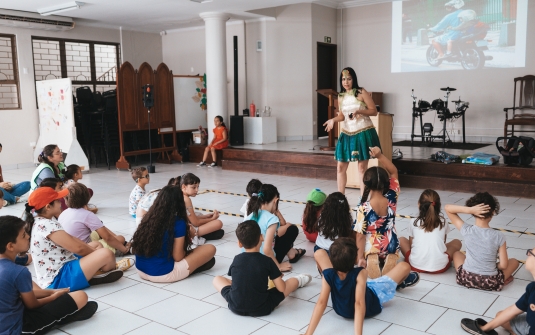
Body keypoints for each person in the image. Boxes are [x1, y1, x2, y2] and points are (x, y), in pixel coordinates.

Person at [0, 215, 98, 335]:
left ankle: (63, 313)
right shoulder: (18, 271)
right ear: (10, 246)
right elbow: (32, 305)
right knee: (81, 296)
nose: (28, 236)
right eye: (23, 235)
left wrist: (51, 291)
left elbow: (18, 294)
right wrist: (53, 297)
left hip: (10, 315)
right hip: (19, 328)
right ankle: (60, 319)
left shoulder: (11, 269)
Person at [303, 238, 420, 335]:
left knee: (319, 253)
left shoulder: (328, 275)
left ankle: (395, 283)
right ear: (354, 259)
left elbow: (321, 303)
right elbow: (359, 303)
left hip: (340, 309)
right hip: (371, 299)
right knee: (404, 266)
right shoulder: (361, 273)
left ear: (332, 261)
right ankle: (399, 283)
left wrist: (308, 333)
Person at [26, 187, 124, 291]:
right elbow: (78, 249)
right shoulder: (47, 224)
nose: (61, 202)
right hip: (58, 279)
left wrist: (94, 252)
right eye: (58, 201)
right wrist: (95, 254)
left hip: (62, 266)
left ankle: (91, 274)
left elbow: (71, 239)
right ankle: (96, 274)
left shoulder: (40, 221)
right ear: (48, 207)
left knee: (96, 245)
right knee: (107, 254)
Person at [212, 220, 312, 316]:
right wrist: (278, 277)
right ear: (261, 237)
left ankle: (247, 286)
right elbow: (281, 288)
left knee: (217, 279)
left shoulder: (237, 259)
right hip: (262, 307)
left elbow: (235, 278)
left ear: (239, 243)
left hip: (235, 306)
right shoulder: (267, 260)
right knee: (288, 284)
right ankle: (299, 280)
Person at [132, 186, 217, 283]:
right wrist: (190, 236)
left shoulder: (148, 217)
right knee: (210, 249)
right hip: (163, 274)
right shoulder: (178, 222)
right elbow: (178, 257)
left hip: (140, 270)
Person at [445, 192, 519, 291]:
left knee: (457, 253)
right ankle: (503, 280)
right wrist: (493, 266)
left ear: (473, 212)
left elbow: (447, 208)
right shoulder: (499, 236)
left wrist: (469, 210)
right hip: (490, 282)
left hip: (465, 278)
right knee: (514, 262)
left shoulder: (466, 230)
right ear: (493, 212)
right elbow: (504, 265)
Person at [323, 67, 380, 196]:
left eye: (349, 79)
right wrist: (333, 119)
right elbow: (342, 116)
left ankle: (363, 200)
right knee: (340, 167)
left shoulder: (361, 92)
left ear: (353, 79)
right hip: (347, 133)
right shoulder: (341, 96)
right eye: (343, 79)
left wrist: (359, 111)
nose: (346, 82)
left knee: (361, 168)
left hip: (362, 132)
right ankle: (340, 198)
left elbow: (373, 111)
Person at [460, 246, 535, 335]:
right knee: (500, 315)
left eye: (531, 253)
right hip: (531, 323)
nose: (528, 254)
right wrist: (484, 329)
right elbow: (513, 310)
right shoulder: (532, 287)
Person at [354, 147, 399, 279]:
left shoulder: (364, 207)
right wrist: (379, 155)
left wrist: (360, 257)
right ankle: (391, 254)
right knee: (391, 244)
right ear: (387, 183)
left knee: (365, 241)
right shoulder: (392, 197)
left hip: (373, 243)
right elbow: (394, 171)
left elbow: (360, 236)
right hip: (391, 241)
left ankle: (371, 256)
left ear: (366, 183)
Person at [59, 183, 133, 257]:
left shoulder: (63, 213)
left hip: (69, 248)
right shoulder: (87, 214)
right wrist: (124, 250)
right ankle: (121, 249)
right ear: (87, 198)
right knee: (121, 238)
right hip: (83, 249)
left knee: (96, 230)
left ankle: (117, 244)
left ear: (66, 200)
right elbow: (108, 238)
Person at [399, 189, 462, 273]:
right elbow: (443, 241)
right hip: (440, 267)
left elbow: (411, 245)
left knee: (401, 240)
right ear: (438, 206)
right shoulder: (443, 221)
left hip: (415, 265)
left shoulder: (414, 221)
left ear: (419, 204)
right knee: (457, 242)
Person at [246, 184, 305, 272]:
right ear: (276, 200)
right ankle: (291, 252)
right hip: (265, 262)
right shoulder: (272, 219)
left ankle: (291, 252)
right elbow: (266, 249)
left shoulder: (251, 215)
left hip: (248, 261)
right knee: (293, 229)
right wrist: (278, 266)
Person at [178, 173, 224, 244]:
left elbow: (188, 217)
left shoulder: (179, 194)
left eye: (197, 187)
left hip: (181, 225)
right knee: (218, 223)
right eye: (193, 187)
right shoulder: (186, 199)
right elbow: (195, 223)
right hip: (184, 230)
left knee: (199, 214)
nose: (197, 190)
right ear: (184, 187)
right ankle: (198, 235)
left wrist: (205, 217)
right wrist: (212, 219)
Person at [314, 192, 354, 272]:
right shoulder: (347, 219)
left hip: (320, 249)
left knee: (330, 273)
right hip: (339, 252)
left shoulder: (322, 217)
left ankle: (324, 266)